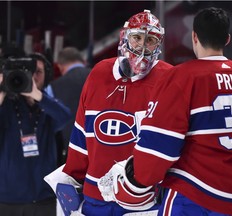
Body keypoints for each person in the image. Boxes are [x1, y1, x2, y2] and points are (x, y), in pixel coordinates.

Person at [99, 7, 232, 216]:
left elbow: (160, 147)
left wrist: (136, 180)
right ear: (227, 39)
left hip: (194, 198)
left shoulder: (182, 77)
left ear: (194, 36)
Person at [44, 9, 173, 216]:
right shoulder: (100, 73)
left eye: (150, 40)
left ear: (158, 44)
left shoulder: (168, 78)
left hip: (143, 200)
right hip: (96, 197)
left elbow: (173, 144)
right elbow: (81, 134)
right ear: (124, 37)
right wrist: (72, 177)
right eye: (137, 37)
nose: (142, 46)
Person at [0, 52, 71, 216]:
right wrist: (2, 89)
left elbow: (65, 116)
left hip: (43, 199)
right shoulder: (6, 105)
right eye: (28, 71)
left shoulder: (48, 104)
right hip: (7, 200)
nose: (33, 76)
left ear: (47, 75)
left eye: (38, 71)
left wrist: (35, 94)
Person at [47, 47, 90, 165]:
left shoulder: (53, 87)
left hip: (70, 150)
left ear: (60, 66)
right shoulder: (102, 78)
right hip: (102, 145)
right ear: (84, 62)